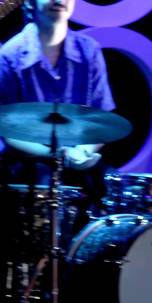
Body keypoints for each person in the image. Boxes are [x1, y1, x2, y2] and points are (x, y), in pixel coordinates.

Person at [0, 0, 114, 204]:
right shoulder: (9, 55)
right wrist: (59, 154)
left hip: (79, 162)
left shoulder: (89, 50)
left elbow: (102, 121)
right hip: (26, 165)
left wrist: (83, 152)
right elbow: (7, 131)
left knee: (114, 189)